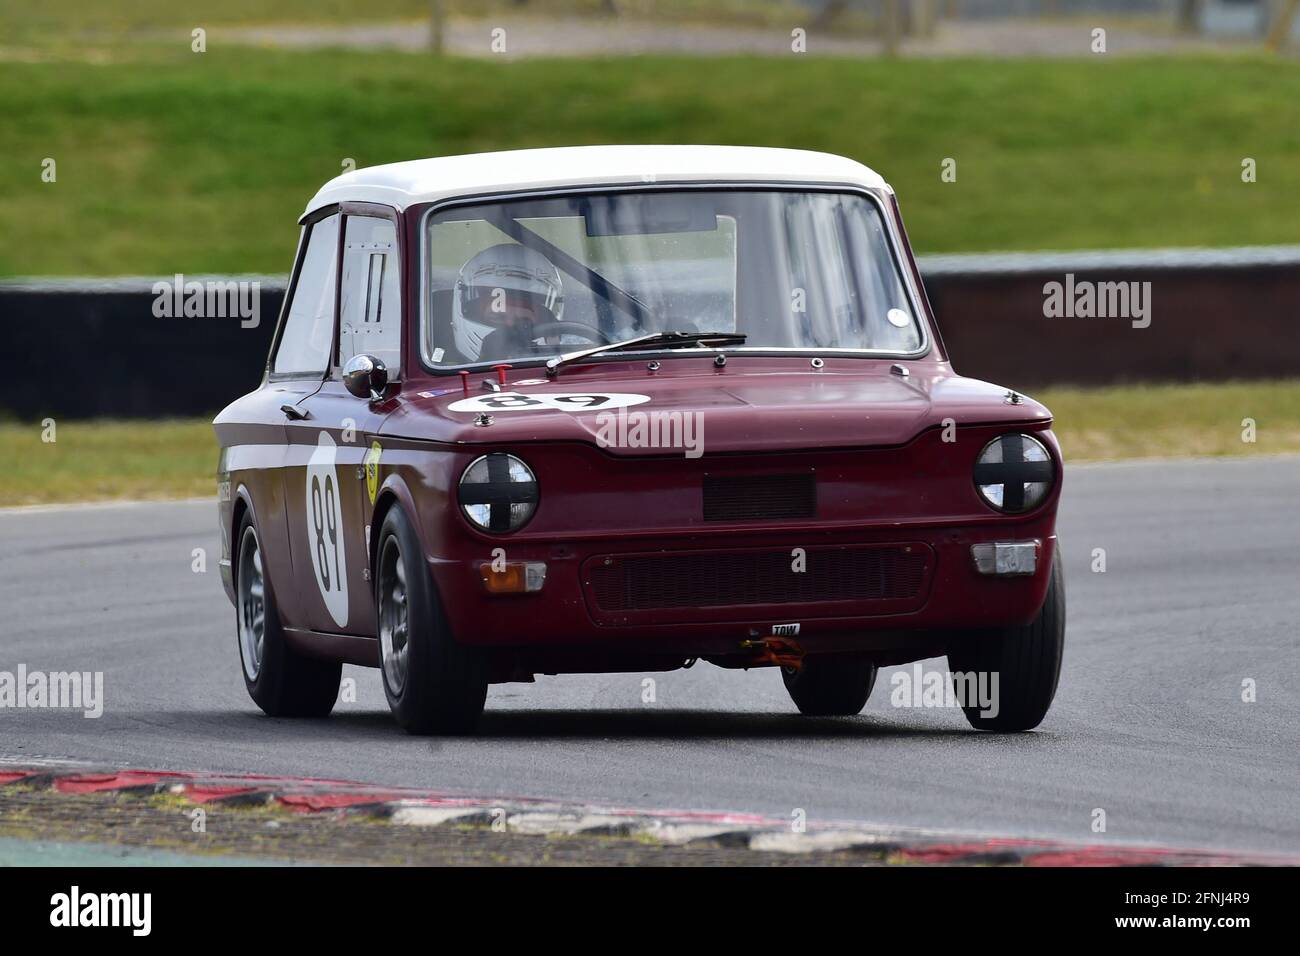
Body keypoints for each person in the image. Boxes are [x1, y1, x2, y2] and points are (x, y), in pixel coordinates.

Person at [451, 243, 565, 362]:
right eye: (497, 317)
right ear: (472, 312)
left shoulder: (572, 358)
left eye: (523, 322)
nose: (509, 330)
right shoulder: (436, 372)